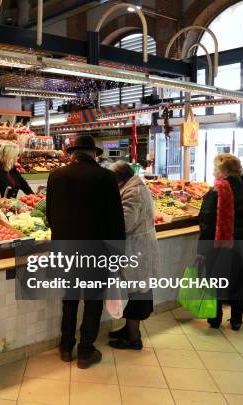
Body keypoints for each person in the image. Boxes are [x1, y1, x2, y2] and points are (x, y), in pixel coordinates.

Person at [46, 135, 126, 369]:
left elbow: (50, 215)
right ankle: (85, 351)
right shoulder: (106, 177)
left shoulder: (56, 176)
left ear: (73, 154)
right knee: (93, 301)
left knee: (69, 299)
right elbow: (115, 220)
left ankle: (65, 347)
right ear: (94, 154)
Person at [198, 153, 243, 330]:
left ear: (224, 171)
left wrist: (202, 249)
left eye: (216, 168)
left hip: (218, 245)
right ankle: (237, 319)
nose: (214, 171)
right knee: (238, 281)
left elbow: (207, 222)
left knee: (215, 280)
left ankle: (215, 319)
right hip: (239, 246)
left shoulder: (216, 191)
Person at [108, 161, 157, 350]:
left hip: (138, 249)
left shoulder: (133, 192)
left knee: (138, 293)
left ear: (119, 180)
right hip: (138, 247)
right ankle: (127, 329)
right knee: (136, 290)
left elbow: (125, 223)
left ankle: (133, 338)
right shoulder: (133, 186)